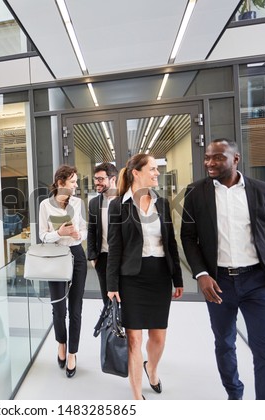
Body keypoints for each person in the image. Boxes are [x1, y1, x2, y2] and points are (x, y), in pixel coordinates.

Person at [180, 138, 265, 400]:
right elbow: (188, 237)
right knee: (224, 343)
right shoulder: (195, 192)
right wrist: (202, 274)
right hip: (219, 282)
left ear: (235, 159)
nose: (210, 162)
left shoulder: (261, 190)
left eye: (218, 157)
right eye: (208, 157)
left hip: (258, 281)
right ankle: (235, 396)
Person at [106, 154, 183, 400]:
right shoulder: (118, 205)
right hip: (132, 279)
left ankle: (152, 368)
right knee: (133, 338)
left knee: (158, 336)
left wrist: (178, 279)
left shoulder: (163, 203)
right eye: (152, 169)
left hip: (159, 276)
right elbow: (114, 248)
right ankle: (137, 396)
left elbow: (171, 242)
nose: (157, 173)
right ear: (136, 172)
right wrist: (112, 284)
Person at [38, 164, 88, 378]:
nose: (76, 186)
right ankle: (61, 343)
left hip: (76, 256)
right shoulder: (44, 206)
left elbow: (85, 230)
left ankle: (73, 353)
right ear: (61, 183)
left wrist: (78, 235)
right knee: (59, 309)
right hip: (55, 257)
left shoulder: (78, 203)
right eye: (73, 182)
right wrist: (58, 232)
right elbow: (42, 236)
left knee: (75, 309)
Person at [87, 162, 119, 305]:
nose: (97, 183)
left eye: (101, 179)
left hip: (123, 259)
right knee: (107, 303)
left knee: (125, 303)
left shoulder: (125, 200)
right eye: (95, 179)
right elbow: (91, 230)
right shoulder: (94, 203)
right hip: (103, 258)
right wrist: (93, 256)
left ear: (113, 179)